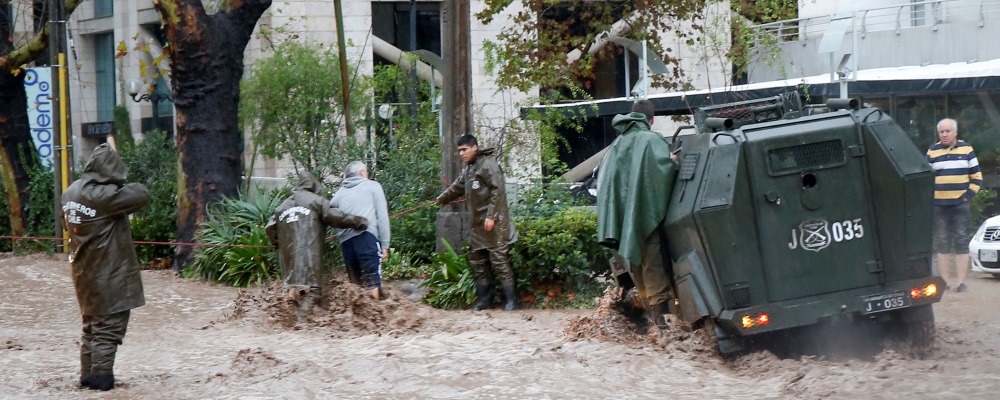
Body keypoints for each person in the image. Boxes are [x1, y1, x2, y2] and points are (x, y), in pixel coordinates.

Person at [62, 143, 152, 391]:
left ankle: (86, 378)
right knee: (108, 330)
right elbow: (142, 193)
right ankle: (102, 383)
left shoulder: (69, 193)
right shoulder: (106, 197)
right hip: (109, 275)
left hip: (83, 273)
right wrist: (119, 181)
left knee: (90, 328)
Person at [596, 99, 678, 329]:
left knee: (636, 261)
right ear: (651, 120)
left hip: (621, 217)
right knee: (651, 260)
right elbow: (662, 171)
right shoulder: (651, 139)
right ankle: (661, 322)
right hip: (642, 213)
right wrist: (672, 162)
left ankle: (652, 320)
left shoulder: (616, 144)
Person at [265, 171, 368, 319]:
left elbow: (269, 228)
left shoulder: (282, 207)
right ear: (313, 184)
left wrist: (277, 244)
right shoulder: (316, 201)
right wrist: (359, 222)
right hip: (310, 258)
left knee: (291, 292)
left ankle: (288, 321)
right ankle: (303, 325)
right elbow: (337, 217)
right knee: (312, 292)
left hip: (288, 261)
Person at [435, 134, 519, 311]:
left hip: (494, 224)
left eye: (464, 149)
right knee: (478, 263)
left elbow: (498, 191)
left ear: (475, 148)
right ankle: (485, 300)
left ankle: (512, 301)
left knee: (499, 262)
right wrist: (442, 199)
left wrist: (492, 216)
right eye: (459, 151)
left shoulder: (488, 164)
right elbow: (457, 187)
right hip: (477, 225)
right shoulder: (469, 169)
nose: (462, 154)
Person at [927, 118, 982, 293]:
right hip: (939, 205)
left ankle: (960, 282)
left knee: (961, 241)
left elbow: (977, 177)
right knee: (942, 242)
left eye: (947, 131)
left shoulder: (967, 149)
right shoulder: (932, 151)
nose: (944, 134)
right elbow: (925, 178)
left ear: (955, 132)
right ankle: (944, 282)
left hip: (960, 204)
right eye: (941, 132)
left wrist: (967, 197)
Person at [330, 161, 391, 299]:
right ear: (362, 172)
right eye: (367, 172)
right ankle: (374, 317)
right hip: (366, 236)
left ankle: (358, 318)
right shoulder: (373, 186)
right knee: (372, 279)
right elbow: (382, 216)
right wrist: (385, 245)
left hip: (346, 242)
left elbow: (328, 214)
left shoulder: (339, 194)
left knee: (355, 284)